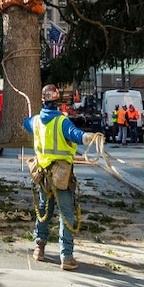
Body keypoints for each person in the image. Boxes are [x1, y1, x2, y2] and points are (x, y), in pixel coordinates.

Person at [24, 84, 98, 271]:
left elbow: (26, 122)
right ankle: (66, 256)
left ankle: (39, 248)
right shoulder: (62, 122)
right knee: (66, 214)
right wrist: (88, 138)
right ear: (57, 102)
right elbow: (76, 135)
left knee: (44, 210)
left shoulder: (36, 122)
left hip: (43, 174)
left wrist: (31, 117)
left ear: (43, 100)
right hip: (61, 175)